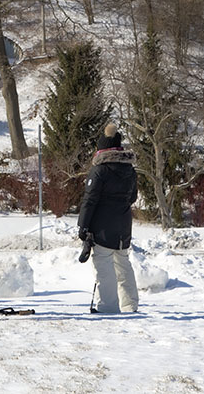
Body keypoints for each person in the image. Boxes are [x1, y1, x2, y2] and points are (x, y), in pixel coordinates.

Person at [77, 123, 139, 314]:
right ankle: (130, 305)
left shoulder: (99, 170)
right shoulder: (130, 170)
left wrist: (83, 225)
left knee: (104, 265)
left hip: (103, 227)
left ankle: (108, 307)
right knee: (123, 264)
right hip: (123, 226)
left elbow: (89, 200)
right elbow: (133, 197)